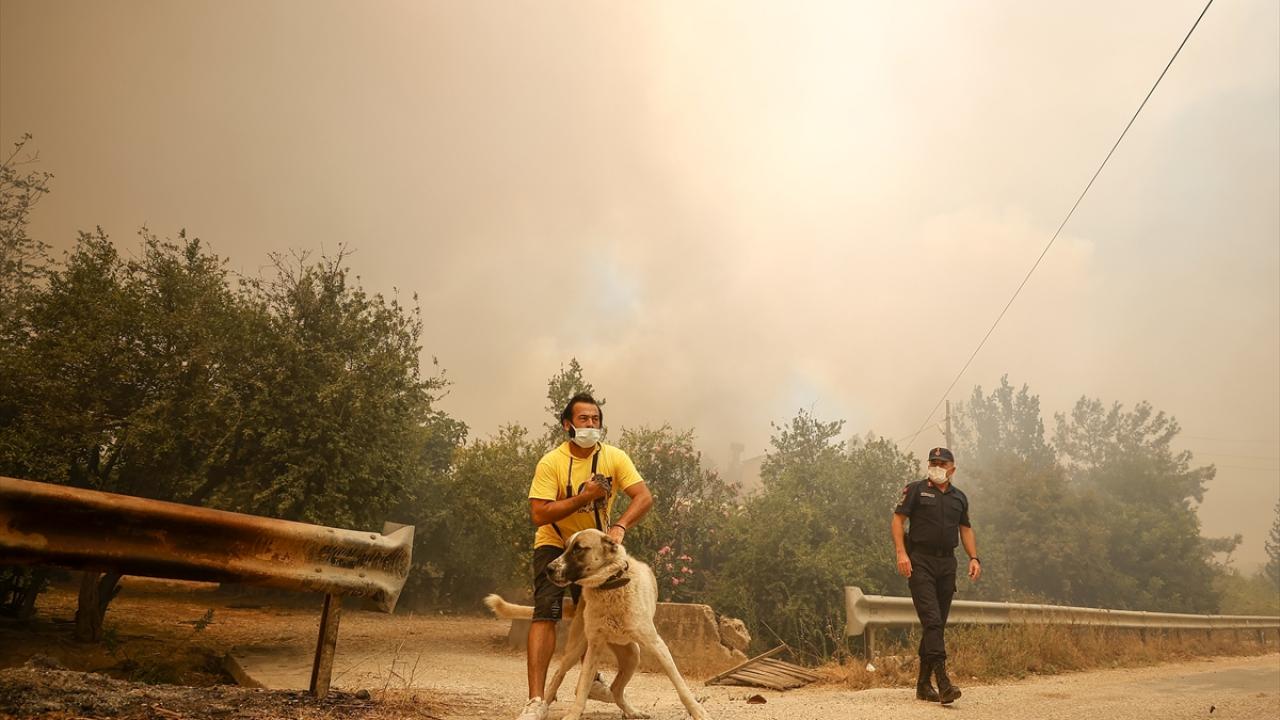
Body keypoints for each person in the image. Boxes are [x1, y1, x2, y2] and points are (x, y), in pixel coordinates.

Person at [516, 392, 654, 720]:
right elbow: (539, 514)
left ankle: (591, 680)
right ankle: (536, 700)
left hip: (593, 551)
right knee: (545, 611)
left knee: (593, 615)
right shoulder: (552, 462)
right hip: (556, 542)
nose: (591, 425)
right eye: (583, 419)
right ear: (567, 424)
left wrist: (620, 524)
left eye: (596, 420)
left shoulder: (614, 457)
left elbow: (643, 496)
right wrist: (585, 498)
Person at [891, 446, 981, 704]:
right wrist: (901, 553)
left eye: (942, 463)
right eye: (933, 462)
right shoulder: (916, 490)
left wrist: (974, 557)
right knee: (932, 621)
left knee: (936, 625)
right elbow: (898, 521)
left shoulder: (959, 498)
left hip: (947, 565)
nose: (937, 467)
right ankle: (943, 681)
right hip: (920, 561)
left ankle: (922, 685)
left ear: (952, 468)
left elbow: (965, 529)